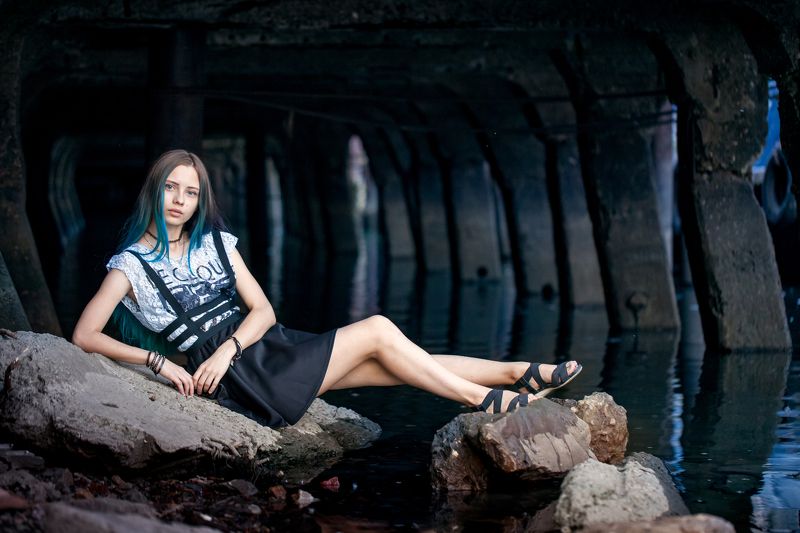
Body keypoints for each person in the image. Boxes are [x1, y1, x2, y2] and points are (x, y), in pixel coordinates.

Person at [72, 149, 582, 428]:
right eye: (171, 188)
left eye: (191, 191)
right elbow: (84, 335)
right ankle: (482, 397)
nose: (180, 200)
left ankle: (517, 372)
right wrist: (157, 362)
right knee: (380, 329)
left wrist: (230, 348)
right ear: (154, 190)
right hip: (240, 380)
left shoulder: (216, 244)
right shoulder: (130, 265)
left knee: (395, 364)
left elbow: (264, 311)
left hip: (260, 349)